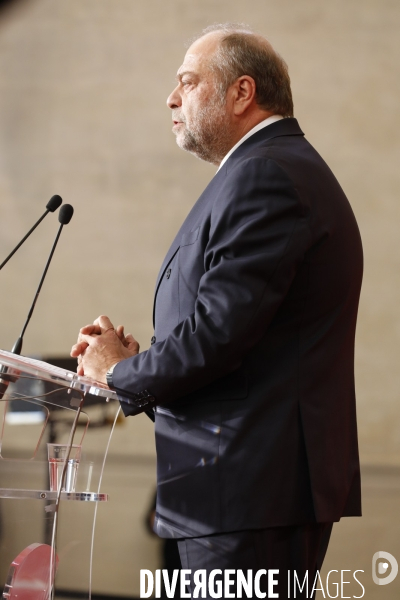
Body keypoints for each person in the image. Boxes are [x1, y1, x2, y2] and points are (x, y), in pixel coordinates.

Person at [71, 23, 363, 599]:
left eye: (187, 82)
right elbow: (243, 346)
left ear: (241, 92)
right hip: (238, 484)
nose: (171, 98)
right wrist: (146, 361)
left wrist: (119, 372)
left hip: (247, 490)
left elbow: (221, 335)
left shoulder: (265, 175)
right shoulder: (265, 169)